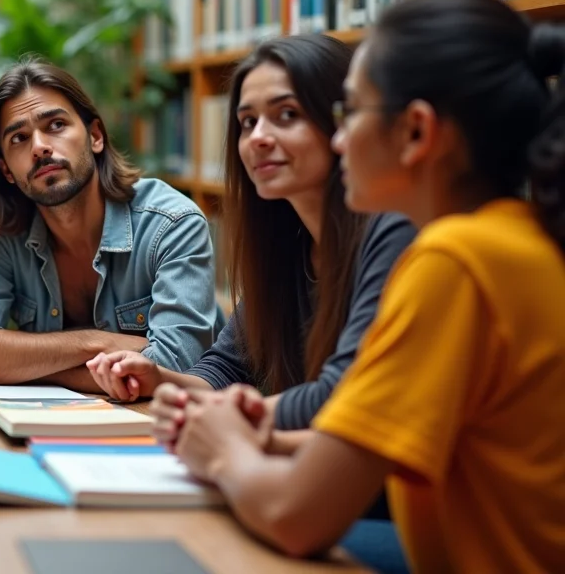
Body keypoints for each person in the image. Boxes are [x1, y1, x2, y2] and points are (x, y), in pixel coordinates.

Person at [163, 0, 565, 573]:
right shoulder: (514, 241)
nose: (340, 137)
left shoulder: (454, 261)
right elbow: (379, 446)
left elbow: (297, 517)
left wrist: (225, 453)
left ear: (416, 133)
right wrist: (258, 436)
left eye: (350, 112)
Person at [85, 36, 415, 437]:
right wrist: (160, 379)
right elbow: (226, 366)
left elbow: (344, 393)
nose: (258, 137)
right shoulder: (288, 243)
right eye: (247, 122)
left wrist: (234, 412)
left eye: (287, 114)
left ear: (343, 120)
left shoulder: (393, 233)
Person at [0, 60, 223, 391]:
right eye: (19, 138)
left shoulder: (171, 224)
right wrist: (95, 342)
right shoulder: (1, 237)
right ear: (6, 171)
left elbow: (174, 367)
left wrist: (25, 368)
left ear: (95, 136)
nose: (40, 146)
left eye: (56, 125)